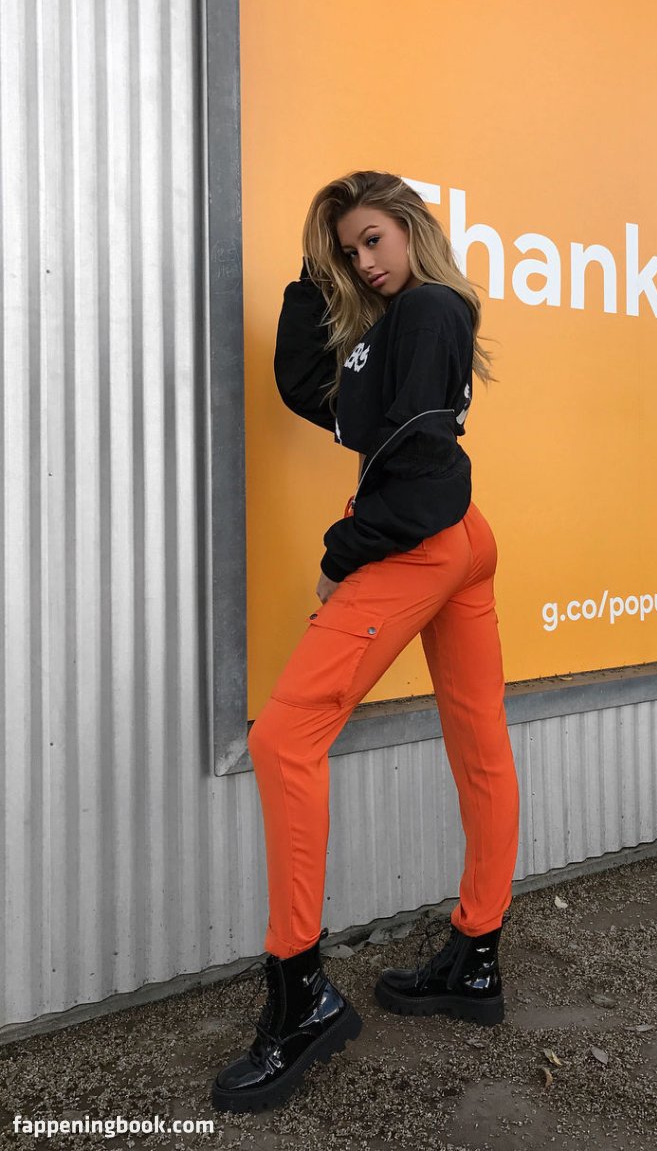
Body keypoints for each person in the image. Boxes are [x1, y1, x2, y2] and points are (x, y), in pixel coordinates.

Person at [211, 171, 521, 1113]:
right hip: (457, 539)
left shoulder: (428, 308)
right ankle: (475, 956)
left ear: (412, 227)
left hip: (417, 540)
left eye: (374, 239)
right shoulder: (389, 328)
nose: (365, 262)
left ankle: (301, 997)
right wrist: (317, 271)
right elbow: (307, 387)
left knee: (284, 738)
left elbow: (420, 450)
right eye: (350, 250)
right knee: (478, 741)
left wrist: (345, 552)